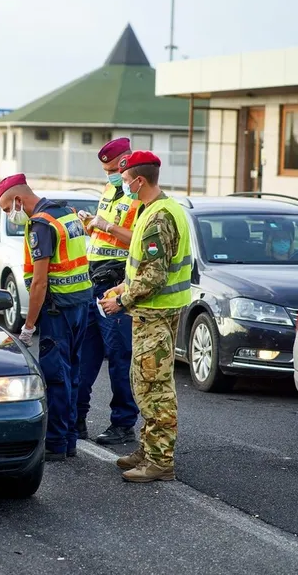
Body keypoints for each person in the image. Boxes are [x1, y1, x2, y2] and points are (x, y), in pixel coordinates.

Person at [99, 151, 192, 483]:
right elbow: (144, 269)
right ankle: (148, 448)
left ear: (139, 180)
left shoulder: (157, 217)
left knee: (155, 388)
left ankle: (160, 461)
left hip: (155, 313)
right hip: (155, 311)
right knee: (145, 383)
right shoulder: (159, 208)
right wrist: (124, 286)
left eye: (125, 180)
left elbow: (154, 276)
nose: (123, 185)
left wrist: (120, 300)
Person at [0, 173, 93, 461]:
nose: (9, 215)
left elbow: (39, 282)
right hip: (80, 303)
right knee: (72, 373)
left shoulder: (41, 225)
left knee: (56, 377)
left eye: (7, 208)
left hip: (57, 310)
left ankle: (57, 444)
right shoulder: (66, 211)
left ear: (19, 201)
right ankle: (70, 439)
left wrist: (28, 325)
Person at [76, 138, 140, 445]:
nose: (111, 175)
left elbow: (137, 242)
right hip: (93, 280)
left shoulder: (139, 197)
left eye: (115, 169)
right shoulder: (110, 190)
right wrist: (91, 224)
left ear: (128, 160)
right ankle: (76, 418)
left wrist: (106, 226)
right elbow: (103, 234)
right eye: (106, 170)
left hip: (117, 283)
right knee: (84, 353)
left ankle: (123, 423)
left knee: (119, 355)